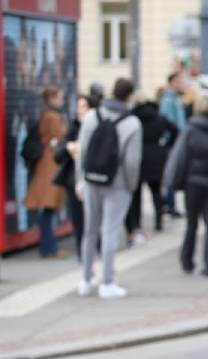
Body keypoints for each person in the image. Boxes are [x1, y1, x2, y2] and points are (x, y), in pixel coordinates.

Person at [76, 77, 143, 299]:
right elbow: (132, 162)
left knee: (90, 230)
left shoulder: (92, 117)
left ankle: (86, 279)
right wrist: (131, 186)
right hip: (118, 183)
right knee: (110, 231)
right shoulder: (132, 123)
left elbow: (82, 152)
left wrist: (81, 180)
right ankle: (107, 282)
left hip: (92, 180)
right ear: (129, 96)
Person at [162, 94, 208, 277]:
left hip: (193, 183)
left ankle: (187, 260)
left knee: (192, 223)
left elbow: (181, 157)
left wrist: (177, 180)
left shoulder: (190, 129)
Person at [25, 87, 68, 258]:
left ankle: (48, 246)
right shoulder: (52, 117)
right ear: (53, 97)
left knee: (47, 210)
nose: (62, 100)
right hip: (50, 164)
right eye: (60, 96)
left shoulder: (46, 114)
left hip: (46, 163)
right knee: (48, 209)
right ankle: (49, 248)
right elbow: (61, 136)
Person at [127, 93, 179, 237]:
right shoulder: (159, 119)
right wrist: (165, 145)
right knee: (156, 192)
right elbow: (175, 131)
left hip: (139, 156)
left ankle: (136, 224)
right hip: (156, 157)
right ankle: (158, 221)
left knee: (136, 194)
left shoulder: (134, 118)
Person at [53, 94, 97, 259]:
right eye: (79, 106)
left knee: (93, 220)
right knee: (78, 220)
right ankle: (83, 255)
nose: (81, 110)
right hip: (74, 181)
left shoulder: (98, 127)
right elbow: (58, 154)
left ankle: (93, 250)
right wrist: (68, 147)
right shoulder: (73, 127)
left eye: (84, 106)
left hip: (93, 180)